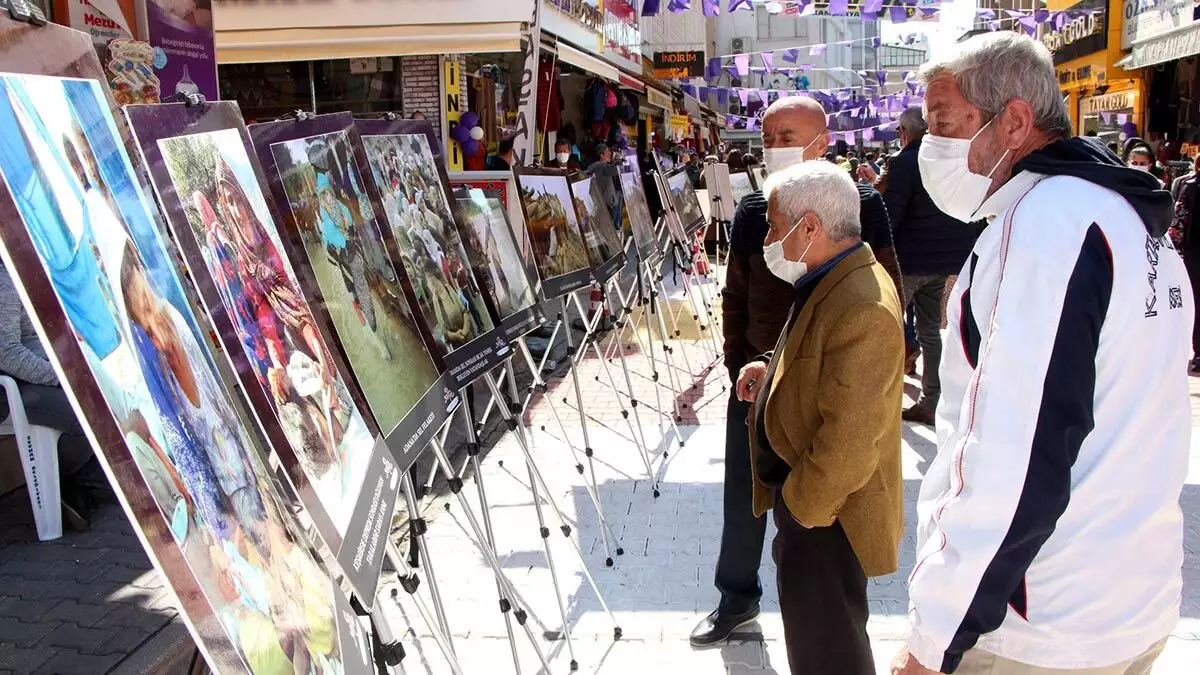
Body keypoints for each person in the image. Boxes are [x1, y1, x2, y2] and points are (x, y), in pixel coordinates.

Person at [893, 32, 1187, 675]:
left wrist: (938, 634)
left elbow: (1019, 451)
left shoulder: (1051, 224)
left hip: (1037, 622)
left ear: (1015, 121)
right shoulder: (1126, 220)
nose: (928, 146)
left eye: (944, 124)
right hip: (1125, 599)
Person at [695, 95, 903, 648]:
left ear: (822, 141)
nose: (775, 149)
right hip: (762, 380)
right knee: (744, 494)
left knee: (816, 512)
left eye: (787, 137)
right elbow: (734, 295)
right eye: (768, 139)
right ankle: (735, 597)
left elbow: (881, 294)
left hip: (830, 384)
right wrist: (742, 363)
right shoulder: (751, 210)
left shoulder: (855, 206)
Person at [735, 161, 903, 674]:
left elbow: (851, 440)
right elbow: (821, 360)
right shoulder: (833, 274)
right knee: (818, 643)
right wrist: (773, 374)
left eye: (775, 225)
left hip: (827, 516)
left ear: (811, 227)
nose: (769, 238)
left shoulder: (863, 305)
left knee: (829, 651)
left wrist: (800, 508)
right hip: (816, 510)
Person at [882, 107, 979, 426]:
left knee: (888, 330)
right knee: (930, 332)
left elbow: (890, 216)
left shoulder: (906, 162)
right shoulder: (952, 160)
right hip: (946, 259)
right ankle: (932, 399)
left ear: (904, 133)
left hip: (909, 261)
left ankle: (881, 399)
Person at [0, 261, 113, 530]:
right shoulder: (3, 279)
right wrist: (60, 378)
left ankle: (81, 489)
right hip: (17, 387)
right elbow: (7, 353)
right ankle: (69, 482)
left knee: (103, 395)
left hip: (41, 376)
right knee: (82, 411)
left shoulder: (23, 264)